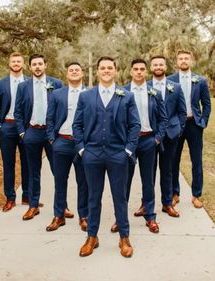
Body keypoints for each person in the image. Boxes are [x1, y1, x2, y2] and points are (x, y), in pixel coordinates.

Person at [73, 56, 140, 257]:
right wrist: (82, 149)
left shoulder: (126, 96)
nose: (106, 70)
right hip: (92, 154)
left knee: (120, 198)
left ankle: (124, 238)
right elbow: (76, 125)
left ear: (115, 70)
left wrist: (128, 150)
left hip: (117, 154)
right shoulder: (86, 96)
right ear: (98, 70)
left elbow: (135, 125)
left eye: (110, 67)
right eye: (102, 68)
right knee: (93, 197)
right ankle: (92, 237)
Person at [121, 59, 167, 234]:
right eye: (136, 69)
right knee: (124, 181)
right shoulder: (122, 91)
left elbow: (163, 118)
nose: (139, 72)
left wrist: (157, 138)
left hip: (149, 141)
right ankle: (121, 218)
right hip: (128, 143)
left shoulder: (154, 92)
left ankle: (150, 217)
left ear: (146, 72)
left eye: (142, 69)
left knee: (148, 181)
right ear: (131, 71)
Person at [14, 54, 63, 220]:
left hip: (52, 133)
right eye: (34, 64)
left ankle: (62, 206)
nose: (37, 67)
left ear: (45, 65)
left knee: (58, 170)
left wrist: (58, 131)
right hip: (32, 132)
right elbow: (18, 112)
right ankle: (33, 206)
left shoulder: (56, 84)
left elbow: (62, 109)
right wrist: (22, 132)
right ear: (30, 67)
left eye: (40, 64)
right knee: (33, 171)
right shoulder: (23, 86)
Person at [46, 62, 88, 232]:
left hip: (83, 144)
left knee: (83, 182)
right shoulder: (57, 94)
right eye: (71, 70)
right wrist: (51, 139)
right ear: (67, 74)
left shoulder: (91, 93)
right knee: (60, 180)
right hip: (61, 142)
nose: (74, 72)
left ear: (82, 73)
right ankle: (59, 215)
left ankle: (84, 216)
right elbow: (50, 118)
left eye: (77, 69)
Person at [168, 50, 211, 208]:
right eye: (181, 58)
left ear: (191, 61)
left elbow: (206, 104)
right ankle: (174, 193)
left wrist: (203, 121)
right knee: (173, 160)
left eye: (186, 58)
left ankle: (196, 195)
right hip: (176, 125)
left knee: (196, 161)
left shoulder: (199, 80)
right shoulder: (170, 80)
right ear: (177, 62)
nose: (184, 61)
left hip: (194, 124)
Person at [0, 52, 29, 212]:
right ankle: (10, 198)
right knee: (8, 164)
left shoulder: (29, 82)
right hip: (7, 127)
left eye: (19, 61)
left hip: (26, 129)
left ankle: (27, 196)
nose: (16, 63)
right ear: (9, 63)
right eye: (14, 61)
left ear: (23, 64)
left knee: (28, 163)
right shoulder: (0, 84)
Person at [148, 55, 187, 217]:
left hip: (170, 136)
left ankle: (167, 203)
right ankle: (146, 205)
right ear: (151, 68)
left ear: (165, 66)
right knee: (148, 172)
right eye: (155, 64)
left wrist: (177, 130)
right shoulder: (145, 86)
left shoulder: (175, 87)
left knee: (168, 171)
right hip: (150, 135)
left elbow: (182, 112)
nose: (158, 66)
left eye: (161, 64)